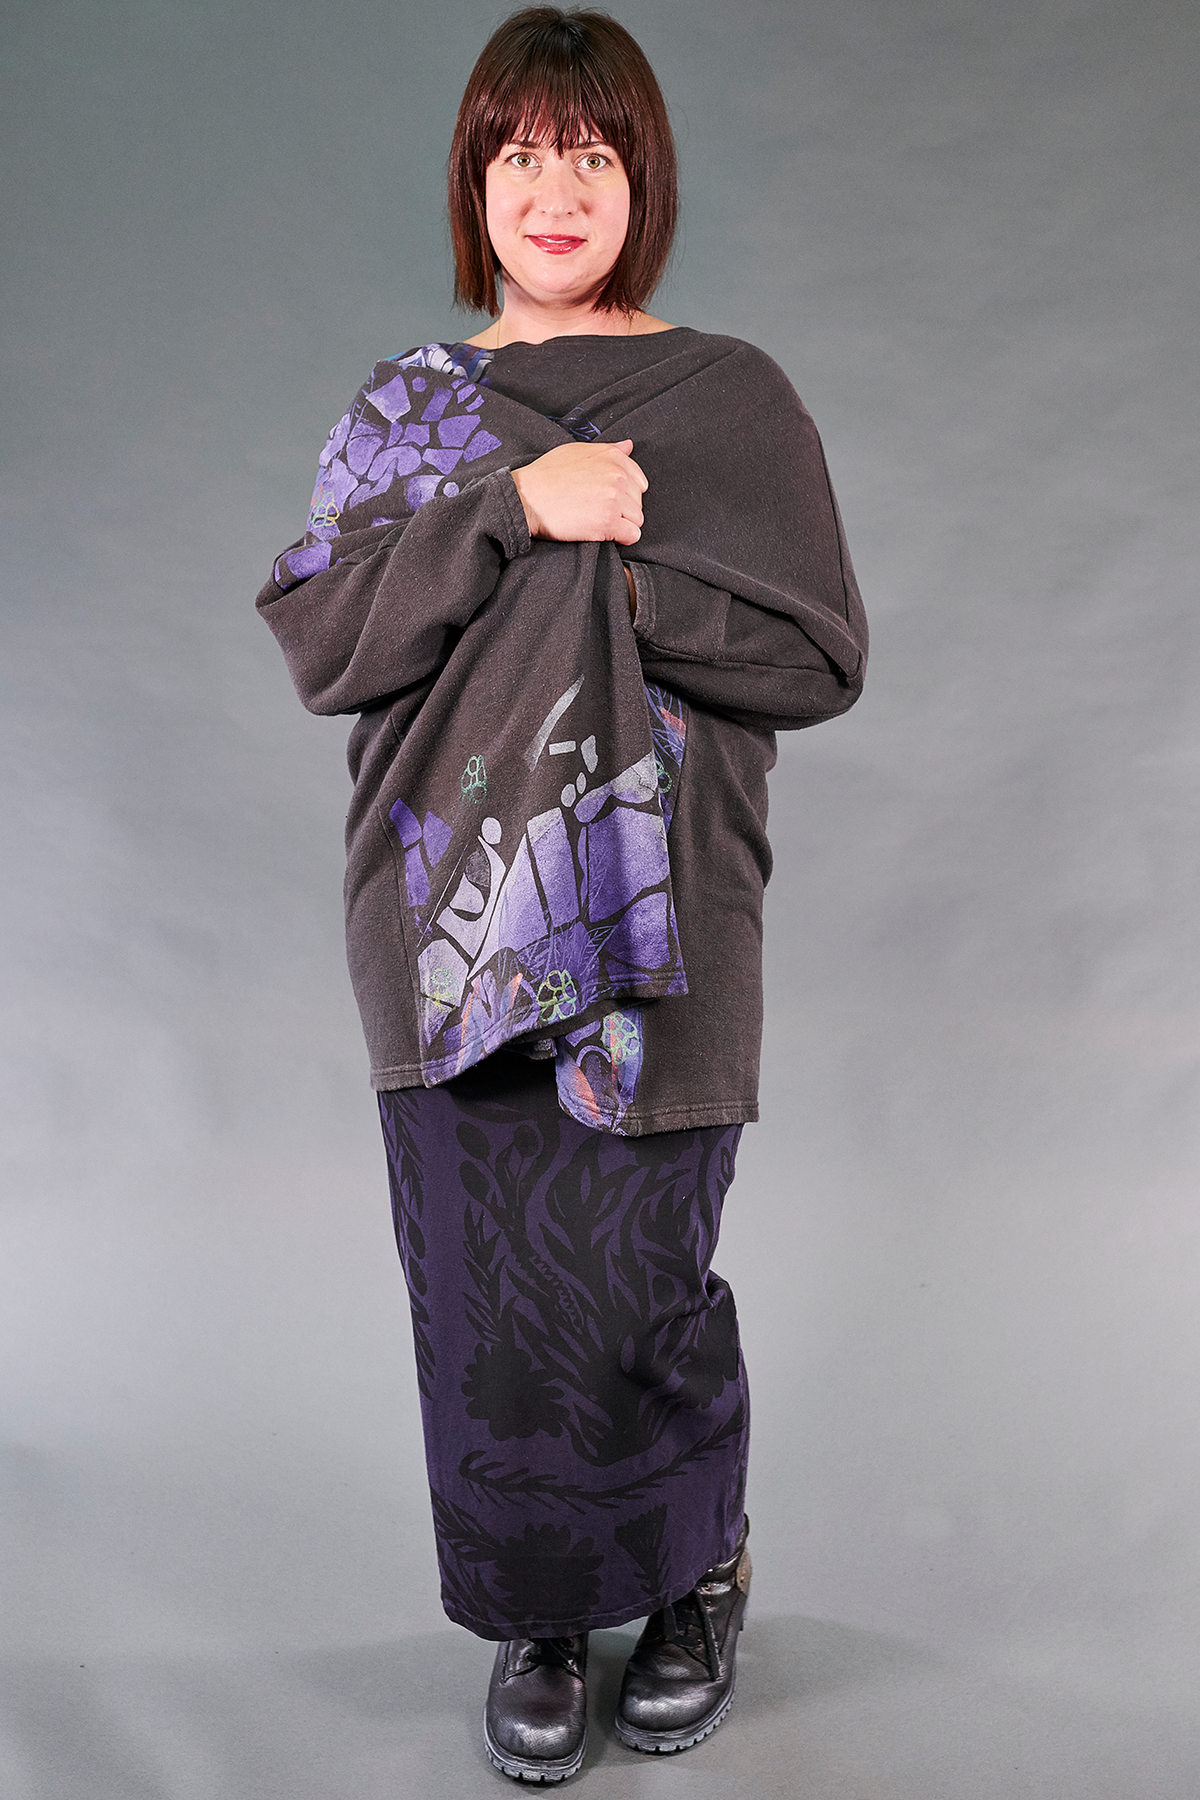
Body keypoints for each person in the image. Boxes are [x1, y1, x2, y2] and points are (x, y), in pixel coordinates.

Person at [256, 5, 866, 1782]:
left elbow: (817, 656)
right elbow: (326, 642)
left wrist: (624, 567)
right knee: (483, 1301)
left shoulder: (732, 399)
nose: (555, 188)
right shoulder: (412, 410)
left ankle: (690, 1577)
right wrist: (517, 508)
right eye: (518, 152)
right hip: (442, 923)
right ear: (475, 182)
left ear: (640, 180)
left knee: (640, 1285)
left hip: (672, 919)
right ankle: (536, 1611)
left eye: (591, 153)